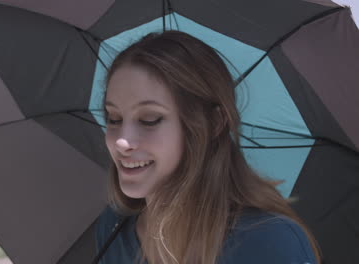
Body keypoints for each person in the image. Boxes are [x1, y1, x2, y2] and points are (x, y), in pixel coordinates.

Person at [95, 30, 321, 264]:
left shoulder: (270, 242)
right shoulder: (113, 228)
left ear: (213, 123)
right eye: (114, 118)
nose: (122, 141)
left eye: (150, 119)